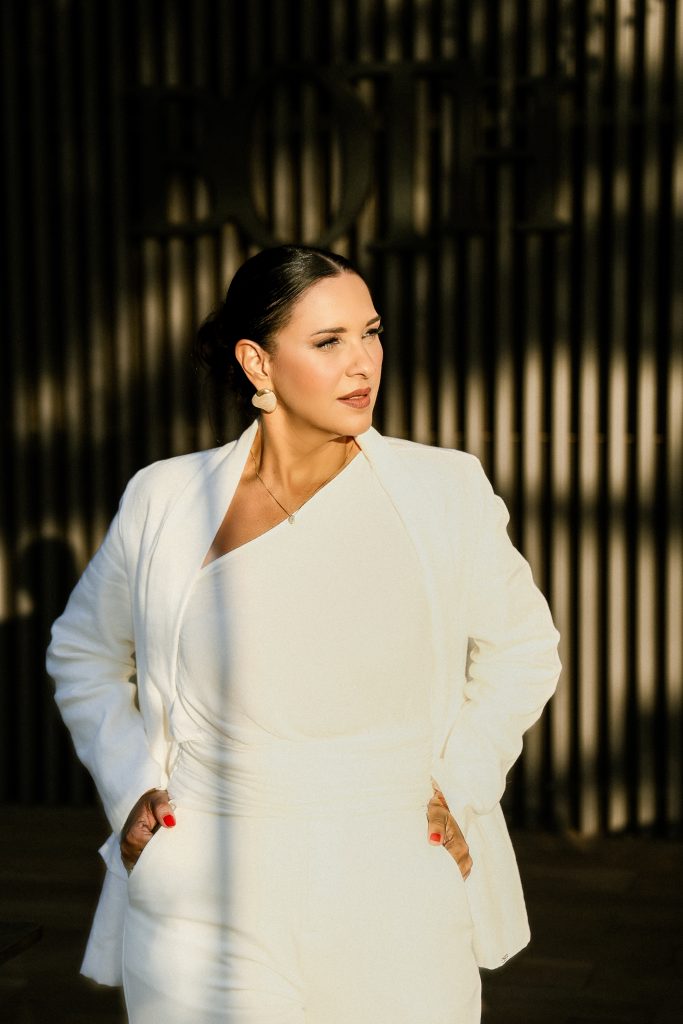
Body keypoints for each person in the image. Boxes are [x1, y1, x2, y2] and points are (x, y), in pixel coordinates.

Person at [46, 244, 561, 1024]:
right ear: (257, 362)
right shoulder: (167, 497)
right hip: (202, 891)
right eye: (328, 341)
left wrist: (461, 786)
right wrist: (131, 791)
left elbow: (522, 650)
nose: (363, 363)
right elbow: (83, 651)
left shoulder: (442, 487)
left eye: (371, 332)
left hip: (398, 883)